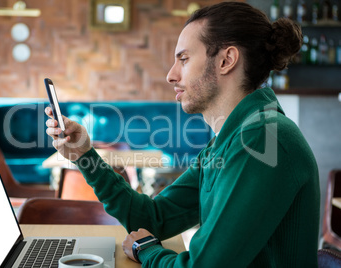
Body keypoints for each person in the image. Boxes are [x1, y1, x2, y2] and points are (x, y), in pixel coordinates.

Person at [45, 2, 320, 267]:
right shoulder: (230, 140)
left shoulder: (262, 140)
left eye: (184, 59)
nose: (171, 76)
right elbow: (152, 218)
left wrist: (148, 251)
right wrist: (84, 154)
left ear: (226, 60)